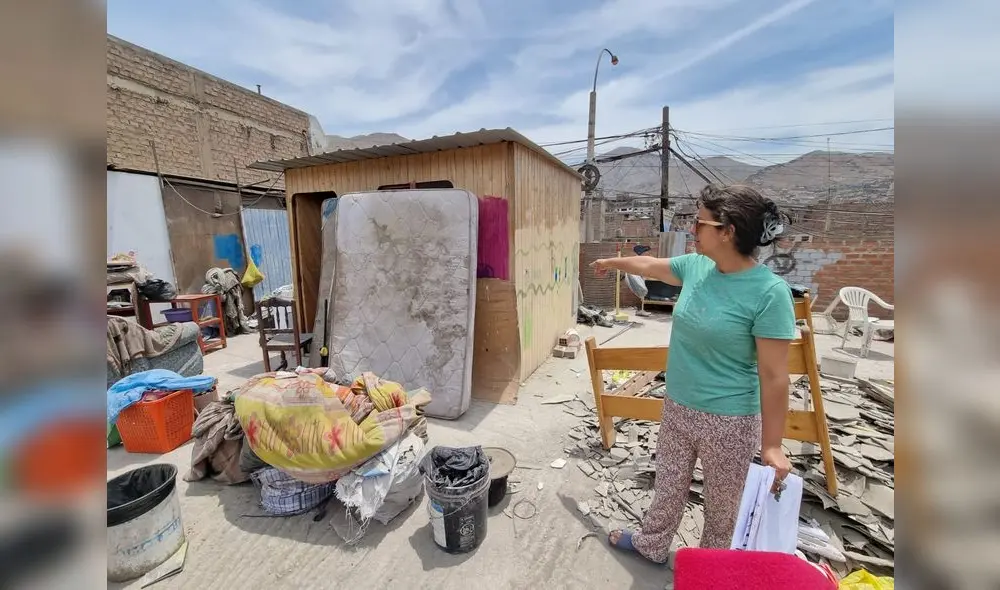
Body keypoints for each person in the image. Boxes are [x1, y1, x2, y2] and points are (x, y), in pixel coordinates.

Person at [591, 184, 796, 564]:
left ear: (727, 231)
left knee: (722, 510)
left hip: (730, 422)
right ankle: (652, 544)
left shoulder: (769, 293)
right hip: (678, 405)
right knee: (668, 487)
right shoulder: (697, 267)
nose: (691, 229)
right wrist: (611, 263)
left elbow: (774, 376)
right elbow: (650, 266)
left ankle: (709, 571)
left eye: (699, 223)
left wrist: (772, 445)